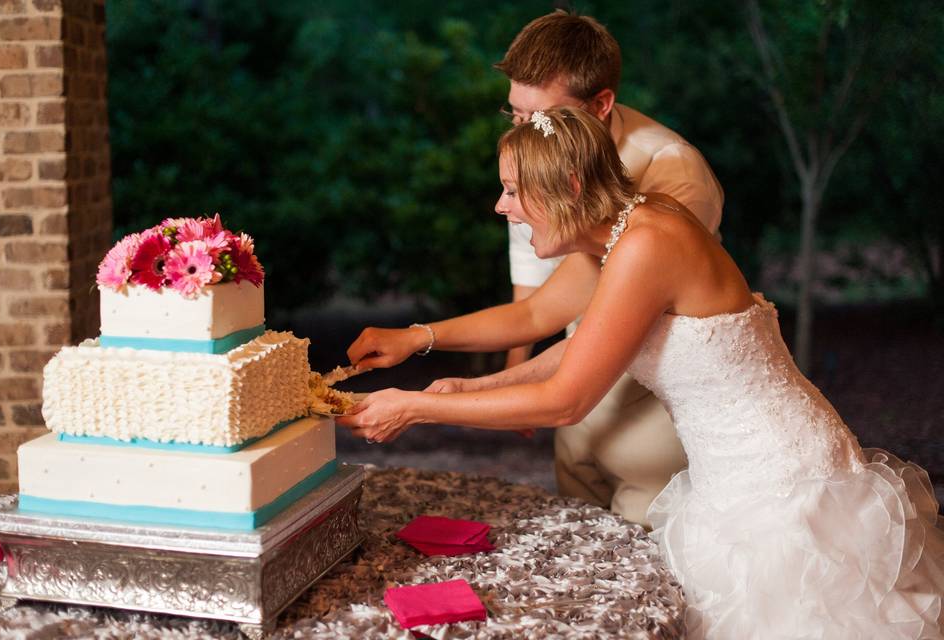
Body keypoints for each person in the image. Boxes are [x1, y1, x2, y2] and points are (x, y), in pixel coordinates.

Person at [338, 107, 944, 637]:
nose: (503, 205)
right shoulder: (625, 230)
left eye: (514, 190)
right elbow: (584, 344)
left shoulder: (648, 244)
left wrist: (414, 405)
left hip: (784, 488)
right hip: (728, 485)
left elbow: (565, 401)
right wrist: (474, 385)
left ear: (570, 184)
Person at [345, 11, 725, 528]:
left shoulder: (666, 189)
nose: (524, 133)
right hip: (570, 401)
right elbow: (538, 309)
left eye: (538, 117)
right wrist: (420, 339)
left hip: (647, 414)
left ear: (600, 105)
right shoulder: (544, 165)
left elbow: (594, 355)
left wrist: (428, 404)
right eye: (515, 116)